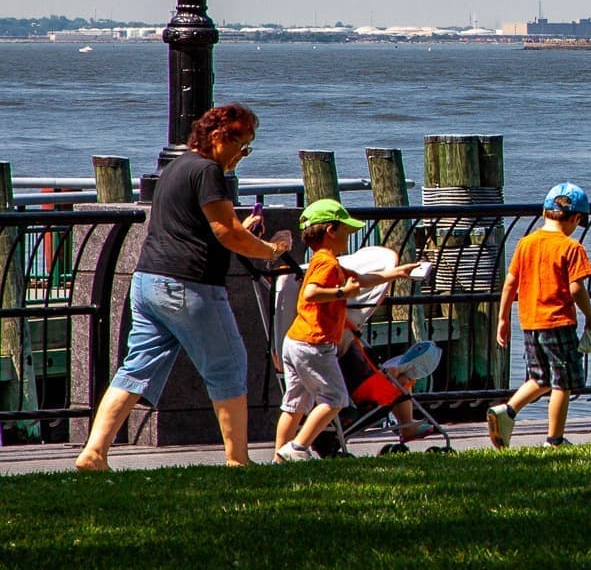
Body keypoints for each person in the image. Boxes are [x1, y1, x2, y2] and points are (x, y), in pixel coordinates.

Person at [74, 103, 292, 471]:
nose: (244, 155)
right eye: (243, 145)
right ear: (221, 137)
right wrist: (271, 250)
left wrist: (242, 231)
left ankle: (94, 452)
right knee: (229, 366)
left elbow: (204, 226)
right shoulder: (209, 171)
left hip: (147, 281)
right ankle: (238, 459)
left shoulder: (177, 168)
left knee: (136, 367)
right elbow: (226, 233)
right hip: (189, 285)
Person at [272, 199, 422, 462]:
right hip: (314, 343)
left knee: (295, 403)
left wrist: (396, 273)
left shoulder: (325, 261)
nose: (348, 238)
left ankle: (278, 457)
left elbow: (363, 279)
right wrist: (343, 292)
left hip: (294, 341)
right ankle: (296, 449)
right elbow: (311, 292)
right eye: (346, 232)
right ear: (331, 231)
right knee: (335, 398)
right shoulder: (328, 265)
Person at [488, 182, 591, 449]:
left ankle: (507, 411)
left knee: (540, 379)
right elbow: (576, 289)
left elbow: (510, 283)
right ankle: (555, 439)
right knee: (563, 383)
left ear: (544, 212)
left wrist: (503, 319)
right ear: (576, 218)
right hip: (558, 322)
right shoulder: (571, 248)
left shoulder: (526, 243)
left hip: (530, 321)